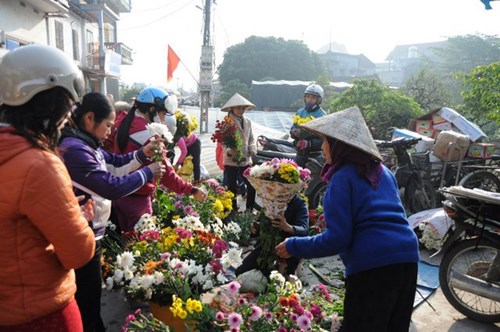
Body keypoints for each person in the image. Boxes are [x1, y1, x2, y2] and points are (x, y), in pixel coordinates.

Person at [276, 107, 419, 332]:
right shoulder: (383, 171)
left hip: (373, 265)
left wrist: (294, 245)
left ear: (339, 145)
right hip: (408, 257)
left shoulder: (342, 177)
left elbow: (337, 239)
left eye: (325, 142)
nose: (323, 148)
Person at [0, 44, 95, 331]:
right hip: (40, 313)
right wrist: (79, 218)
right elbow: (78, 253)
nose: (69, 115)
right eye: (68, 105)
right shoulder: (39, 164)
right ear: (52, 104)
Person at [59, 92, 165, 331]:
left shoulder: (85, 143)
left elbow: (116, 163)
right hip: (80, 236)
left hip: (90, 234)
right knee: (87, 302)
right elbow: (110, 186)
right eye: (107, 125)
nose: (110, 131)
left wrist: (143, 153)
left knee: (90, 298)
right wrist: (148, 172)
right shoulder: (75, 149)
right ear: (89, 118)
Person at [113, 87, 207, 231]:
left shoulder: (122, 122)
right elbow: (167, 175)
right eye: (163, 113)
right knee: (141, 247)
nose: (164, 118)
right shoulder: (150, 137)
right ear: (152, 110)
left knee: (125, 244)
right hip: (137, 200)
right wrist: (192, 189)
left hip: (118, 195)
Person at [235, 194, 308, 278]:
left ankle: (288, 269)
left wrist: (288, 227)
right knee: (239, 272)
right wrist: (256, 229)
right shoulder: (272, 197)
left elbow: (304, 230)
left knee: (274, 283)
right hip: (265, 248)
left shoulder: (299, 203)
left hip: (286, 250)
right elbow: (262, 223)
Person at [220, 93, 257, 213]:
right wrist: (230, 151)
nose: (240, 110)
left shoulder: (248, 121)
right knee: (231, 187)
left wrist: (252, 148)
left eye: (242, 108)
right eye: (238, 107)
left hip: (246, 159)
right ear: (231, 108)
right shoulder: (227, 122)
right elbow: (223, 142)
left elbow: (251, 138)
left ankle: (249, 210)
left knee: (252, 185)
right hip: (231, 160)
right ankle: (233, 211)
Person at [289, 84, 327, 167]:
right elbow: (292, 129)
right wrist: (294, 133)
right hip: (300, 152)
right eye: (308, 97)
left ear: (319, 100)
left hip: (315, 155)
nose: (310, 100)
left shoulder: (322, 115)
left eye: (313, 98)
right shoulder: (300, 112)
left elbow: (324, 139)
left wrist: (308, 143)